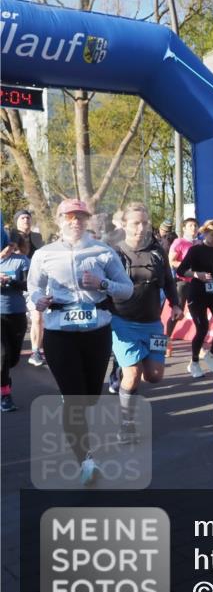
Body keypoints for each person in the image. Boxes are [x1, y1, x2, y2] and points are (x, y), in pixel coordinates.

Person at [27, 198, 133, 485]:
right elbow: (33, 288)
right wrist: (39, 300)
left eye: (81, 217)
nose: (75, 222)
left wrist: (103, 285)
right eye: (70, 216)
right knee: (74, 400)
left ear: (88, 221)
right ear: (59, 219)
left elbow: (127, 290)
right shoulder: (45, 254)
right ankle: (86, 459)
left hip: (96, 332)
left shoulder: (103, 251)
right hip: (60, 332)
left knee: (91, 397)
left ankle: (75, 414)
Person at [109, 203, 182, 443]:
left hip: (153, 323)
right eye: (135, 223)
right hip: (123, 321)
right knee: (132, 374)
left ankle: (125, 372)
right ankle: (126, 424)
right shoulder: (114, 253)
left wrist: (176, 304)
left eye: (144, 223)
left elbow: (169, 282)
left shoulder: (158, 251)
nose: (141, 228)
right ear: (125, 225)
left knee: (155, 376)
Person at [176, 220, 213, 378]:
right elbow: (181, 270)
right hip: (197, 293)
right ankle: (194, 362)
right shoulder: (196, 250)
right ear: (204, 233)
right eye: (212, 235)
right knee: (202, 328)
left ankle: (211, 354)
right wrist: (197, 274)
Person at [10, 210, 46, 367]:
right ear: (16, 221)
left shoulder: (37, 237)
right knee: (13, 324)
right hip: (13, 284)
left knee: (38, 317)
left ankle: (36, 351)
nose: (26, 220)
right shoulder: (9, 236)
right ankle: (9, 351)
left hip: (34, 283)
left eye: (28, 218)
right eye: (22, 218)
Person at [1, 231, 31, 412]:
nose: (6, 250)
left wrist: (10, 281)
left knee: (12, 359)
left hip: (16, 313)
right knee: (2, 356)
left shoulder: (21, 261)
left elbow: (28, 284)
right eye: (4, 246)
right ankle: (5, 395)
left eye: (10, 246)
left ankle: (5, 377)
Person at [164, 217, 199, 354]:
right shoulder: (179, 242)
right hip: (182, 282)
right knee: (177, 313)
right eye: (190, 225)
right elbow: (171, 261)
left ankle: (199, 346)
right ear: (184, 228)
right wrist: (189, 270)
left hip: (198, 283)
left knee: (198, 313)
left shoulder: (199, 243)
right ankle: (166, 341)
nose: (194, 228)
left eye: (196, 225)